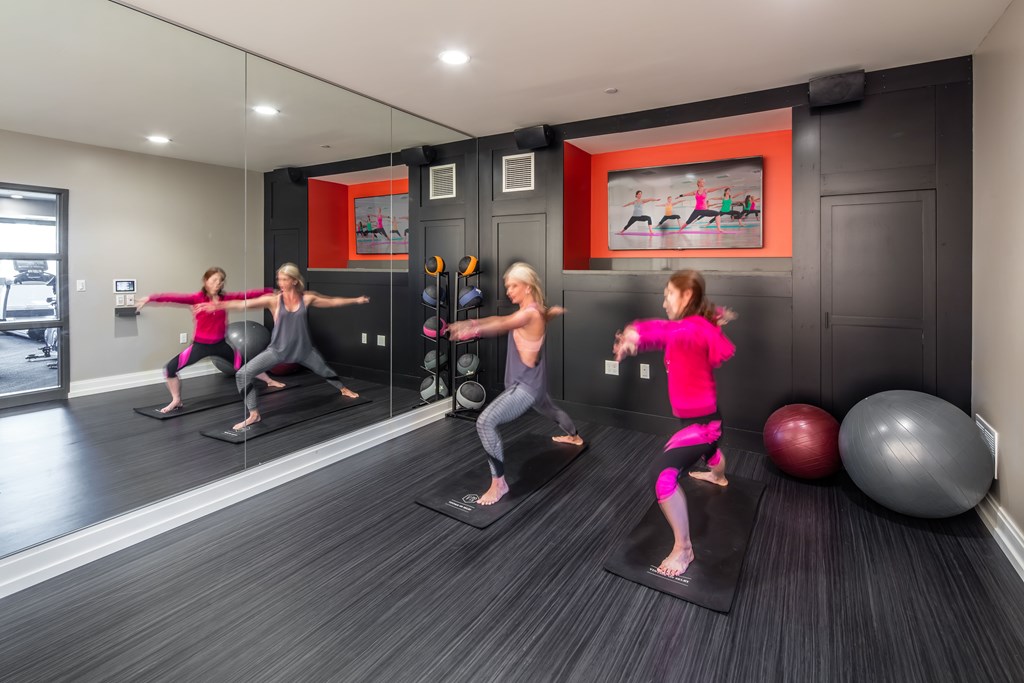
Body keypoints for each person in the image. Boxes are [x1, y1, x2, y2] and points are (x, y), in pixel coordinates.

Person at [613, 270, 736, 577]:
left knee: (661, 476)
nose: (664, 300)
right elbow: (676, 331)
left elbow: (666, 332)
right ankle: (718, 477)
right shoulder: (695, 326)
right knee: (710, 454)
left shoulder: (690, 329)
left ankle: (684, 549)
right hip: (705, 417)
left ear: (686, 296)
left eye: (668, 293)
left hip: (703, 425)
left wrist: (636, 334)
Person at [448, 262, 584, 505]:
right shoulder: (537, 311)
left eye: (513, 285)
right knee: (551, 409)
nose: (509, 291)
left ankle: (499, 483)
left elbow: (502, 323)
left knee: (485, 422)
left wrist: (471, 326)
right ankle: (574, 436)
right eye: (507, 286)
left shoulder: (529, 313)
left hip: (524, 387)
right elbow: (535, 317)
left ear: (528, 287)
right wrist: (553, 313)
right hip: (537, 383)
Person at [197, 263, 369, 431]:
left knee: (325, 371)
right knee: (243, 374)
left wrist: (356, 300)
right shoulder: (274, 300)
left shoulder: (306, 298)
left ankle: (344, 389)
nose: (281, 283)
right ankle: (254, 413)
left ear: (294, 281)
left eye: (285, 279)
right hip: (277, 351)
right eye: (279, 279)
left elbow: (332, 302)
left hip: (304, 350)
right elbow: (244, 305)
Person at [136, 267, 279, 413]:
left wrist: (269, 291)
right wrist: (150, 298)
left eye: (221, 280)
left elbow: (246, 295)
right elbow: (172, 297)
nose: (218, 283)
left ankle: (269, 380)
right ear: (206, 281)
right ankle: (176, 400)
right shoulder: (196, 298)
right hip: (200, 346)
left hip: (221, 345)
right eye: (214, 280)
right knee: (170, 369)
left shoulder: (226, 299)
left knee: (245, 365)